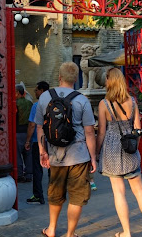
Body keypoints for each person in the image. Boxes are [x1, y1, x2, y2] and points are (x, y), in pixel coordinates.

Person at [96, 68, 142, 237]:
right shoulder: (132, 101)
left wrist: (96, 152)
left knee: (119, 192)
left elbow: (102, 132)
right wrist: (135, 147)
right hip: (130, 148)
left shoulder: (104, 104)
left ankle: (126, 232)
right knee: (140, 190)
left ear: (109, 82)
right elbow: (138, 129)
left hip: (111, 149)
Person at [34, 62, 97, 237]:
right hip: (78, 156)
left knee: (55, 193)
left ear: (59, 77)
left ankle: (52, 229)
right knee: (77, 197)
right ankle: (70, 234)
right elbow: (90, 131)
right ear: (76, 78)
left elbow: (40, 127)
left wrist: (42, 151)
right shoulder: (82, 99)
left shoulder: (45, 97)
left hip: (55, 156)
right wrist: (93, 157)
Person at [24, 80, 50, 204]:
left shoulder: (37, 105)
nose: (35, 92)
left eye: (36, 90)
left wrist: (27, 140)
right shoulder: (53, 103)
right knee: (53, 168)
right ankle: (55, 193)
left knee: (37, 168)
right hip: (52, 140)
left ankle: (38, 194)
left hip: (38, 140)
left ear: (42, 91)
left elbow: (32, 125)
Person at [16, 83, 33, 183]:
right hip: (28, 131)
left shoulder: (15, 103)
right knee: (28, 154)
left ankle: (19, 174)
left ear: (18, 93)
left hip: (17, 132)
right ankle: (29, 174)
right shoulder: (29, 103)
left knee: (18, 155)